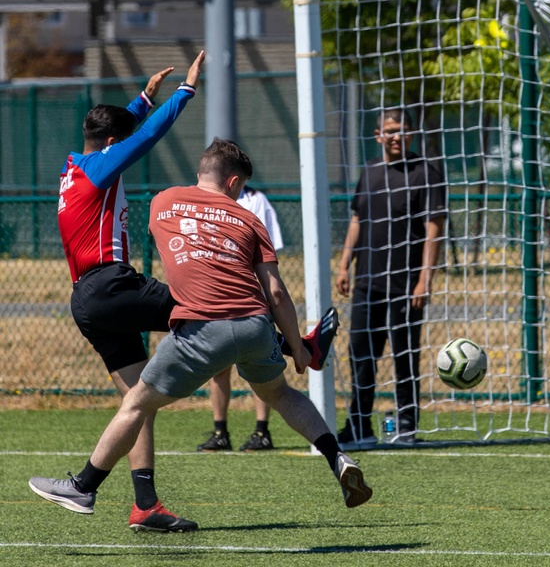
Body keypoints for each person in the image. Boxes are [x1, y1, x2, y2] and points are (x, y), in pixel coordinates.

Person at [29, 139, 373, 522]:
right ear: (233, 182)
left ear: (202, 172)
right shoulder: (250, 220)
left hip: (202, 327)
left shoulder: (163, 202)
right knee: (280, 394)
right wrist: (298, 349)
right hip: (255, 325)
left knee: (136, 404)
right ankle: (336, 456)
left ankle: (84, 487)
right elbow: (276, 292)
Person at [55, 51, 204, 532]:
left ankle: (144, 505)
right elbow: (143, 138)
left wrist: (142, 98)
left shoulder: (75, 165)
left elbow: (118, 135)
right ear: (111, 144)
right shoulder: (100, 171)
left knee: (139, 399)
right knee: (207, 305)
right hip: (111, 285)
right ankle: (294, 346)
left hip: (87, 298)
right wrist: (185, 93)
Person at [335, 107, 447, 449]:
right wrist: (344, 264)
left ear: (411, 134)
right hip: (367, 280)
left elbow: (434, 229)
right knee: (361, 353)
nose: (395, 136)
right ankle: (359, 425)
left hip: (406, 282)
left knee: (405, 354)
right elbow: (357, 219)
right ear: (378, 135)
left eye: (401, 130)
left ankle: (407, 424)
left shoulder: (425, 173)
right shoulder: (369, 173)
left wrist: (424, 279)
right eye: (389, 130)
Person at [197, 185, 285, 452]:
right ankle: (220, 431)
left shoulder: (255, 200)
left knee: (258, 363)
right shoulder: (203, 200)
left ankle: (261, 431)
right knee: (218, 366)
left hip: (251, 296)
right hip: (217, 295)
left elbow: (270, 248)